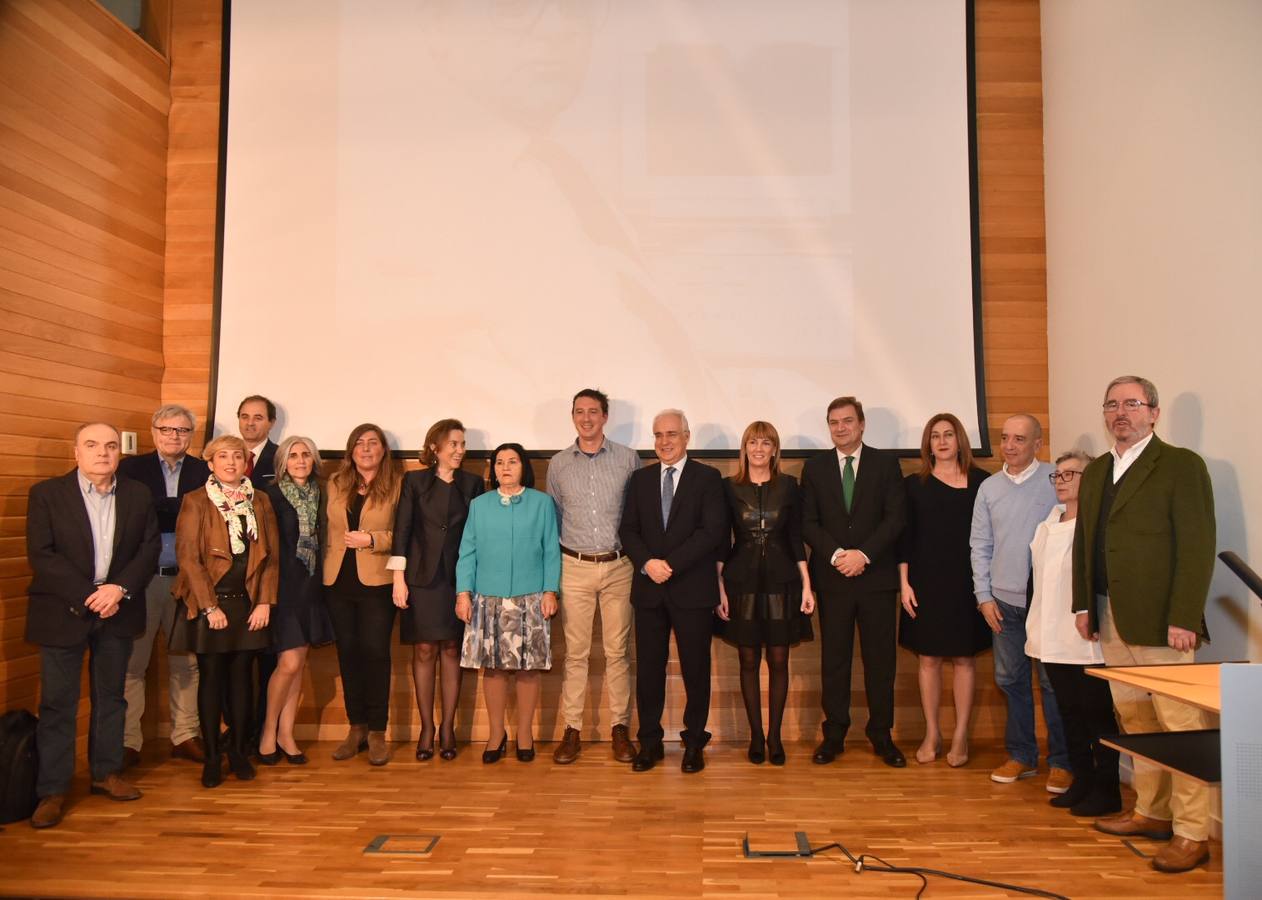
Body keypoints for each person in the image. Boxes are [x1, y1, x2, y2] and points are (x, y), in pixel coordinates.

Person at [1072, 376, 1216, 873]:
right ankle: (1150, 812)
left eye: (1132, 404)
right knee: (1136, 722)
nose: (1121, 413)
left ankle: (1192, 832)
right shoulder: (1097, 474)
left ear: (1154, 413)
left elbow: (1197, 547)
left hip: (1162, 624)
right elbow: (1085, 545)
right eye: (1112, 404)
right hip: (1110, 616)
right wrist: (1083, 604)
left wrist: (1183, 617)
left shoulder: (1180, 466)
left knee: (1181, 727)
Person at [26, 423, 160, 828]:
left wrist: (118, 589)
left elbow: (148, 548)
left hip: (117, 609)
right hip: (65, 611)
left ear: (119, 453)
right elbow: (42, 554)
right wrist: (90, 594)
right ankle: (52, 790)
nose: (102, 453)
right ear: (76, 453)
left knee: (111, 697)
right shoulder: (47, 494)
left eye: (110, 446)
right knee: (57, 704)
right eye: (92, 445)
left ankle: (105, 774)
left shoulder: (137, 494)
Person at [801, 396, 907, 768]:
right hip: (833, 580)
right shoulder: (814, 469)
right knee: (835, 660)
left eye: (847, 421)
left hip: (875, 577)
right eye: (833, 422)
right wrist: (836, 556)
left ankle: (882, 735)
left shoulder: (885, 465)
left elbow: (895, 519)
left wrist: (863, 555)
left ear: (861, 424)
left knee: (881, 662)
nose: (840, 428)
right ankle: (834, 735)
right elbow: (808, 523)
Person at [619, 410, 726, 773]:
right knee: (649, 670)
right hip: (649, 589)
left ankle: (694, 742)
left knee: (696, 670)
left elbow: (711, 532)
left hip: (692, 590)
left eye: (671, 434)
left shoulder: (708, 478)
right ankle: (649, 742)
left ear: (686, 436)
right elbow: (628, 530)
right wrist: (649, 563)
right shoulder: (640, 479)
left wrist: (671, 564)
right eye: (658, 435)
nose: (664, 441)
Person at [170, 435, 278, 788]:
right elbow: (188, 557)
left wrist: (264, 601)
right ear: (211, 463)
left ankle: (238, 753)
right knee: (212, 679)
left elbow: (271, 556)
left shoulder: (259, 500)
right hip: (210, 603)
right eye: (223, 457)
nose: (231, 462)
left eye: (237, 456)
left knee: (242, 681)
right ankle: (213, 756)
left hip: (248, 603)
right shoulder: (196, 500)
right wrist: (209, 605)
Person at [970, 414, 1070, 791]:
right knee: (1010, 680)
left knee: (1051, 684)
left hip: (1048, 605)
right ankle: (1022, 756)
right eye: (1005, 438)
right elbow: (980, 545)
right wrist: (983, 597)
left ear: (1038, 444)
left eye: (1019, 439)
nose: (1009, 446)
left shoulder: (1054, 482)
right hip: (1003, 604)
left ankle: (1061, 761)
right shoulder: (990, 488)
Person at [547, 389, 641, 766]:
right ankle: (571, 730)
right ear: (573, 417)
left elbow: (637, 513)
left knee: (618, 653)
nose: (586, 418)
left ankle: (620, 728)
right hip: (574, 566)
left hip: (620, 566)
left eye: (593, 412)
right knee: (576, 654)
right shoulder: (558, 463)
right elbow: (553, 518)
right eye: (579, 412)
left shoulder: (628, 459)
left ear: (605, 416)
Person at [715, 421, 814, 766]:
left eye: (765, 443)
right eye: (752, 442)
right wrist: (720, 588)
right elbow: (720, 543)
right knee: (747, 661)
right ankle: (755, 736)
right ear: (744, 448)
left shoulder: (789, 487)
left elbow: (796, 538)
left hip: (781, 583)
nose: (759, 448)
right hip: (740, 582)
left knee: (779, 660)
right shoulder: (728, 488)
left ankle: (775, 738)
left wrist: (807, 585)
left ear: (775, 449)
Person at [1028, 451, 1121, 817]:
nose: (1062, 480)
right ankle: (1081, 780)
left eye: (1071, 473)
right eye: (1058, 475)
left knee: (1097, 714)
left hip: (1083, 639)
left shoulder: (1097, 525)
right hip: (1049, 636)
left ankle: (1107, 788)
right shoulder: (1048, 522)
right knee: (1068, 712)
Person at [456, 443, 561, 764]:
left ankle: (525, 734)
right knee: (494, 668)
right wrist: (463, 593)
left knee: (529, 669)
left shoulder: (542, 503)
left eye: (512, 462)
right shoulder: (479, 505)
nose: (505, 467)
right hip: (488, 598)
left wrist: (549, 590)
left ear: (523, 467)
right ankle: (496, 733)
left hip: (531, 597)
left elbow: (550, 551)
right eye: (499, 462)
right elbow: (467, 551)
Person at [118, 404, 209, 769]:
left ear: (191, 435)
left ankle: (185, 735)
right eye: (167, 429)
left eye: (183, 431)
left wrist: (163, 510)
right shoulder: (130, 469)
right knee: (132, 664)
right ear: (153, 431)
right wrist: (175, 510)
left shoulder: (204, 470)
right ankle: (128, 742)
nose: (174, 436)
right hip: (141, 581)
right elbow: (133, 517)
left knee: (186, 662)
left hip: (186, 580)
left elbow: (200, 520)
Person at [897, 413, 990, 767]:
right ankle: (932, 732)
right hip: (924, 582)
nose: (942, 441)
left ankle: (961, 735)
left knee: (965, 658)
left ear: (960, 439)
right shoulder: (913, 485)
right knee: (928, 659)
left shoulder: (983, 482)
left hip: (969, 582)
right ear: (928, 443)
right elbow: (905, 539)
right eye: (935, 436)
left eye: (948, 434)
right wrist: (904, 584)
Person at [389, 419, 485, 761]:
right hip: (420, 579)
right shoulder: (414, 481)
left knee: (451, 648)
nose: (460, 450)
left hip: (458, 580)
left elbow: (477, 535)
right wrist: (398, 579)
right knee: (424, 649)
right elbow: (402, 530)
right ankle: (427, 727)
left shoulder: (473, 484)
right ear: (435, 447)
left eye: (463, 444)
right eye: (454, 444)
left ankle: (448, 728)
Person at [324, 423, 403, 766]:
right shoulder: (335, 483)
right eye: (359, 443)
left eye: (373, 443)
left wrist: (373, 540)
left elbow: (403, 532)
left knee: (375, 653)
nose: (366, 448)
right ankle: (355, 727)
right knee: (348, 654)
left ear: (384, 450)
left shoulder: (398, 485)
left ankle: (376, 732)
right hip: (337, 580)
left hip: (377, 581)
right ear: (350, 450)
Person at [257, 436, 334, 766]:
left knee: (298, 664)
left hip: (312, 588)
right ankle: (267, 732)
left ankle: (286, 735)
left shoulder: (323, 493)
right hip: (283, 588)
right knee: (287, 664)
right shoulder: (270, 496)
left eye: (306, 455)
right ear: (282, 462)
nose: (300, 460)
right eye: (293, 456)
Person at [237, 395, 278, 484]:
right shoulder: (221, 455)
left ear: (271, 423)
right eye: (245, 417)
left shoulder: (281, 457)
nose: (250, 423)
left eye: (258, 418)